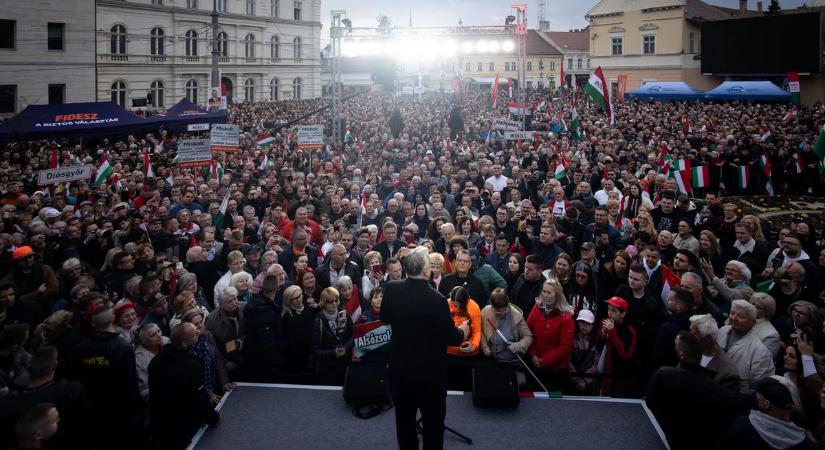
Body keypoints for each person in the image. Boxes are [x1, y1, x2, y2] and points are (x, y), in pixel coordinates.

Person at [380, 247, 468, 450]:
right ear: (426, 271)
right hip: (430, 377)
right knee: (433, 427)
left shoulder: (391, 289)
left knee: (404, 423)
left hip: (400, 372)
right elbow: (452, 338)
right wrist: (462, 330)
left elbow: (384, 318)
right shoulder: (437, 300)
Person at [646, 331, 740, 450]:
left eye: (676, 345)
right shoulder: (716, 389)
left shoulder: (664, 375)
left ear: (681, 354)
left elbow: (651, 403)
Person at [148, 322, 219, 450]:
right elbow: (200, 398)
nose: (198, 332)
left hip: (164, 422)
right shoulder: (191, 366)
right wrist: (213, 417)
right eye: (194, 334)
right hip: (185, 423)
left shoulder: (155, 361)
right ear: (184, 343)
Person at [721, 377, 818, 450]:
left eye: (759, 393)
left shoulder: (741, 426)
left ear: (766, 404)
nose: (755, 394)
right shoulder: (804, 442)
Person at [717, 300, 776, 394]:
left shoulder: (760, 351)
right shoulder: (722, 331)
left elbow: (759, 385)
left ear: (753, 322)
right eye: (732, 313)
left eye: (740, 316)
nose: (734, 318)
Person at [526, 279, 575, 391]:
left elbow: (564, 348)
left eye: (549, 292)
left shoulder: (566, 319)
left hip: (555, 371)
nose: (545, 295)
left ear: (557, 295)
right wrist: (533, 355)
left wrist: (543, 361)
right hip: (535, 364)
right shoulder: (537, 308)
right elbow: (527, 331)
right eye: (543, 291)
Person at [689, 314, 742, 395]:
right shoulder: (690, 351)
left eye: (695, 333)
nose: (690, 336)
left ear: (708, 339)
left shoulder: (728, 374)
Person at [311, 287, 353, 386]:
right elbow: (314, 350)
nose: (334, 303)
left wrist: (345, 348)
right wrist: (333, 352)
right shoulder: (318, 322)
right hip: (327, 368)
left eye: (336, 300)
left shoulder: (344, 315)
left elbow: (353, 336)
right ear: (324, 303)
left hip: (344, 364)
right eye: (330, 301)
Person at [480, 288, 532, 364]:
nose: (502, 313)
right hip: (492, 360)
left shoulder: (516, 316)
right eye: (498, 311)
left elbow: (528, 337)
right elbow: (481, 331)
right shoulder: (485, 312)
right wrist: (484, 347)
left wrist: (517, 346)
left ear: (508, 304)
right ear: (492, 307)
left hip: (511, 361)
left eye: (504, 309)